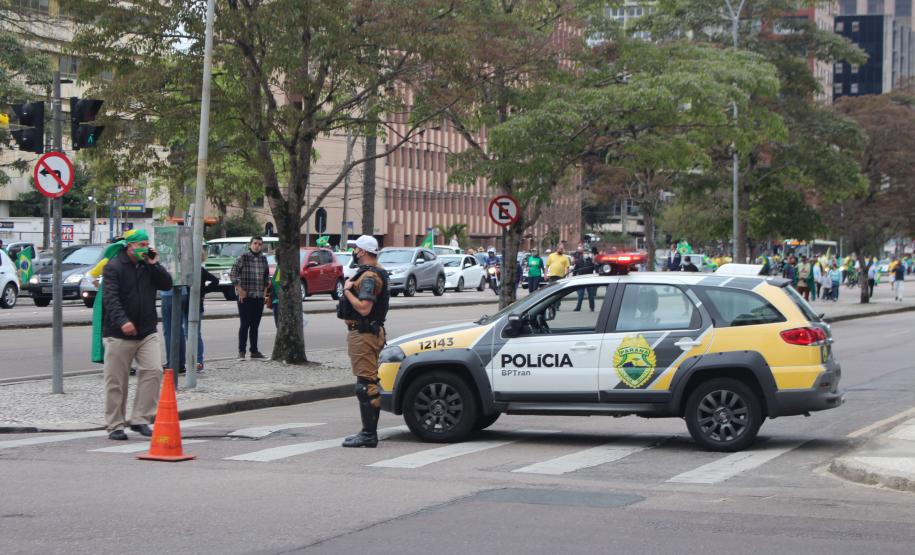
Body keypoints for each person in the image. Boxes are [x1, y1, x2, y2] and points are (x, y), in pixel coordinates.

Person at [98, 229, 172, 440]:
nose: (144, 248)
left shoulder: (149, 266)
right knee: (116, 381)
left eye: (146, 244)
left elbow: (167, 284)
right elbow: (110, 298)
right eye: (140, 245)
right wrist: (123, 321)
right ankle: (115, 425)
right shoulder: (114, 266)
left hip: (146, 330)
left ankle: (141, 418)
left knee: (153, 370)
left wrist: (154, 264)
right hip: (119, 333)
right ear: (129, 246)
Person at [339, 235, 389, 448]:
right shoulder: (372, 273)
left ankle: (369, 434)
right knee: (367, 382)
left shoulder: (369, 276)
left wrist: (347, 290)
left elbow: (364, 308)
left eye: (356, 248)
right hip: (366, 332)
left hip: (364, 332)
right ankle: (367, 432)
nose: (354, 251)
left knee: (365, 385)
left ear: (363, 251)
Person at [230, 236, 270, 360]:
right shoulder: (243, 257)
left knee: (255, 325)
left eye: (260, 244)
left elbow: (266, 277)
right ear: (250, 244)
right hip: (246, 296)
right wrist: (240, 289)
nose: (257, 246)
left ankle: (254, 350)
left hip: (258, 296)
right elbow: (233, 274)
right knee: (245, 324)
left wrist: (264, 293)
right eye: (255, 243)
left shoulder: (263, 259)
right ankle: (241, 351)